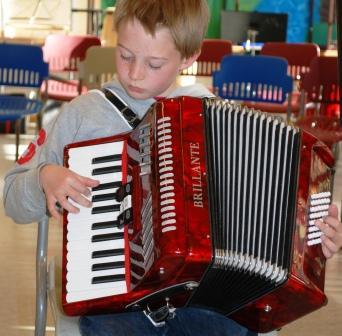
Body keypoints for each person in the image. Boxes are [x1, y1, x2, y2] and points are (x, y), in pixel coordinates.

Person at [3, 0, 342, 335]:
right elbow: (12, 196)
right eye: (125, 55)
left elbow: (272, 213)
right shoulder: (83, 115)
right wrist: (43, 179)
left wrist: (313, 239)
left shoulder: (213, 116)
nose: (135, 73)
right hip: (114, 298)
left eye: (154, 63)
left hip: (204, 298)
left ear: (189, 58)